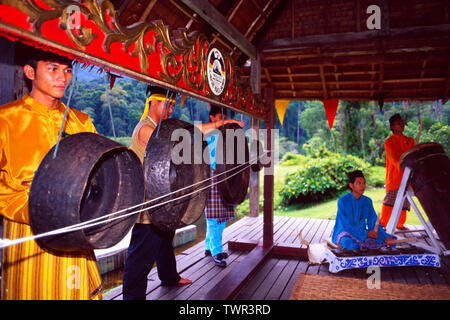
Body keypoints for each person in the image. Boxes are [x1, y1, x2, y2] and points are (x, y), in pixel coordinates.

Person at [0, 47, 102, 299]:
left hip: (74, 228)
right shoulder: (6, 120)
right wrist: (38, 210)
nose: (63, 77)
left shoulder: (81, 122)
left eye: (67, 70)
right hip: (28, 230)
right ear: (30, 72)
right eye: (53, 68)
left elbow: (101, 176)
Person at [122, 85, 191, 300]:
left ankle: (169, 276)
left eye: (172, 105)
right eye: (168, 104)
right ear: (154, 102)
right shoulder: (145, 129)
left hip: (160, 197)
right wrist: (215, 126)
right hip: (146, 203)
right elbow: (180, 143)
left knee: (164, 239)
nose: (171, 110)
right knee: (141, 254)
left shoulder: (159, 127)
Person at [198, 105, 243, 267]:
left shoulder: (226, 134)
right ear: (212, 118)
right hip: (211, 177)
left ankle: (209, 246)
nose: (223, 121)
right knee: (214, 217)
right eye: (220, 118)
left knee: (222, 216)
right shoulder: (206, 133)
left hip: (225, 179)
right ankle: (216, 251)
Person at [331, 170, 395, 250]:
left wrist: (381, 236)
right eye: (359, 183)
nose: (363, 186)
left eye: (364, 183)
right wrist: (366, 233)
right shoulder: (343, 201)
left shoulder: (367, 201)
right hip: (345, 232)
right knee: (348, 243)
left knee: (389, 240)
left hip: (363, 233)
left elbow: (374, 221)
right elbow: (346, 225)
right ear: (351, 185)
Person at [380, 113, 415, 231]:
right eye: (398, 123)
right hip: (394, 178)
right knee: (389, 203)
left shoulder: (410, 140)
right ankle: (381, 225)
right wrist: (406, 164)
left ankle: (400, 225)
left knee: (404, 202)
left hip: (408, 177)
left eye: (402, 122)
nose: (402, 125)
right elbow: (394, 159)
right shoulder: (389, 142)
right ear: (392, 126)